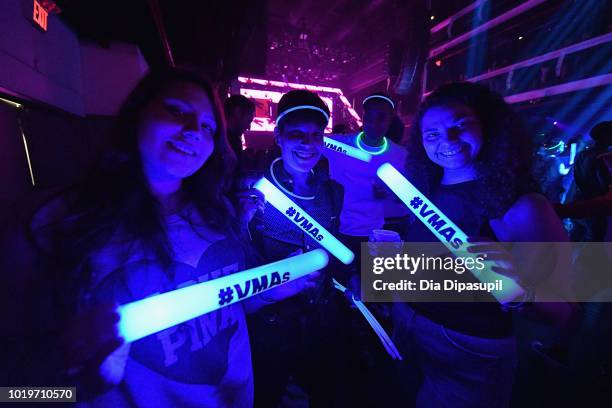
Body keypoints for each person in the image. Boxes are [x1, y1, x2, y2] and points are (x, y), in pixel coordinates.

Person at [3, 70, 315, 407]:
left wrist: (275, 287)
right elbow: (12, 392)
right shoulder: (53, 222)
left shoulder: (219, 213)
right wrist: (76, 383)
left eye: (209, 127)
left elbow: (226, 302)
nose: (195, 130)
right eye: (178, 110)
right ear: (138, 112)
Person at [394, 82, 575, 407]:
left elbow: (563, 311)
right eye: (431, 134)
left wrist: (517, 291)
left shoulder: (524, 206)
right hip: (406, 325)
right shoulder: (424, 192)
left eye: (460, 125)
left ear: (488, 125)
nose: (446, 140)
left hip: (468, 347)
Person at [244, 90, 349, 407]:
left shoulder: (333, 191)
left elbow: (334, 249)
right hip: (271, 322)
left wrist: (352, 281)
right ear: (278, 136)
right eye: (297, 134)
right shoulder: (253, 190)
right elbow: (234, 259)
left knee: (324, 393)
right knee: (268, 396)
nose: (308, 144)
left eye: (316, 135)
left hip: (322, 318)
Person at [325, 92, 410, 252]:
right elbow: (306, 143)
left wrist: (393, 191)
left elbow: (406, 200)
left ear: (391, 119)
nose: (374, 123)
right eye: (369, 116)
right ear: (363, 116)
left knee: (372, 276)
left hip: (377, 233)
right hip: (336, 231)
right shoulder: (338, 145)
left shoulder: (400, 155)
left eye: (381, 117)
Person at [224, 94, 255, 169]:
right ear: (237, 112)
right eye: (248, 121)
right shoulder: (225, 141)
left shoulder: (233, 140)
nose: (248, 127)